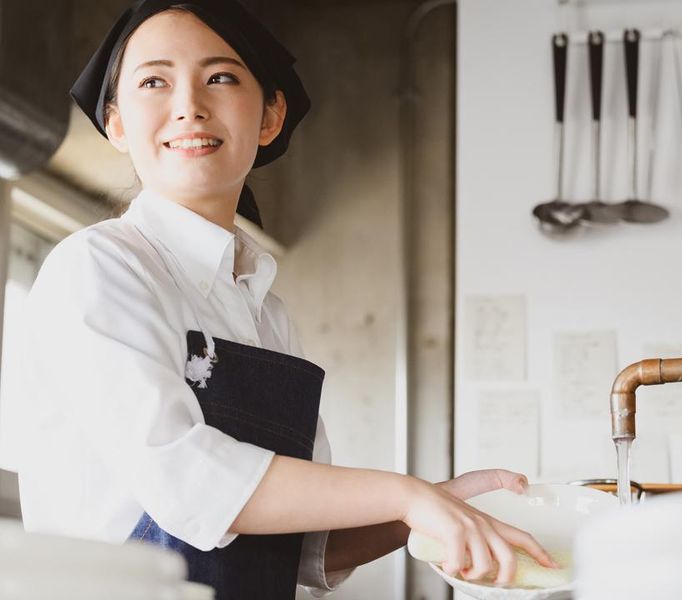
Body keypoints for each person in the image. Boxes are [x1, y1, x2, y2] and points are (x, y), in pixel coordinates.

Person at [8, 1, 557, 598]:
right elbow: (189, 483)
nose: (189, 104)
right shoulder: (99, 268)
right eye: (153, 81)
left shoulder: (265, 312)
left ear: (270, 117)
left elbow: (302, 548)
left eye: (219, 77)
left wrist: (432, 511)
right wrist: (407, 494)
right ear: (114, 122)